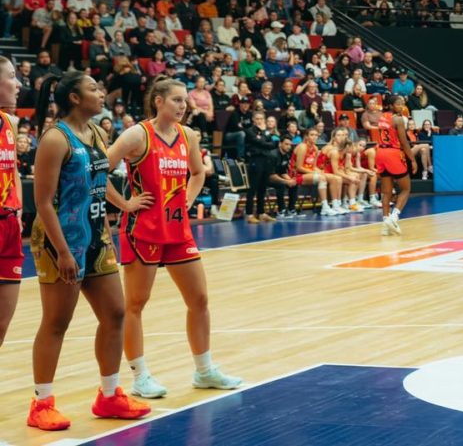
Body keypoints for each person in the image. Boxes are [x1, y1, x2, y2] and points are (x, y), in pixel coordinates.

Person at [28, 71, 152, 430]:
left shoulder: (96, 132)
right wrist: (64, 252)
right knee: (56, 322)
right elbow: (44, 203)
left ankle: (109, 395)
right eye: (93, 89)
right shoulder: (55, 139)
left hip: (96, 235)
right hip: (61, 241)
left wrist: (124, 204)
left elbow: (98, 181)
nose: (101, 94)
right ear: (74, 99)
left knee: (115, 314)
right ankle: (41, 403)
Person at [106, 76, 241, 399]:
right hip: (144, 229)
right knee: (136, 304)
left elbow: (198, 173)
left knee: (199, 300)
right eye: (177, 100)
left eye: (185, 100)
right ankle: (140, 375)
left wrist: (188, 199)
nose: (183, 106)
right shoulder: (137, 134)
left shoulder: (188, 135)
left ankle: (204, 370)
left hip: (178, 228)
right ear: (158, 101)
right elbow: (96, 170)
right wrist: (124, 203)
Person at [0, 57, 25, 367]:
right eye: (10, 76)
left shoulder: (10, 123)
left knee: (2, 324)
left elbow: (13, 169)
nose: (18, 84)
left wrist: (17, 209)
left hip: (8, 226)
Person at [370, 95, 416, 236]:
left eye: (402, 104)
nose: (401, 106)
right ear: (390, 105)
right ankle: (394, 217)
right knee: (406, 189)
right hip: (393, 153)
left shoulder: (381, 117)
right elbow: (404, 142)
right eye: (398, 104)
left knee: (387, 191)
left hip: (381, 152)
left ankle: (385, 223)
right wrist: (412, 159)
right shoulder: (397, 119)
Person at [243, 111, 278, 223]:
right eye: (257, 119)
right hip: (255, 160)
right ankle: (249, 214)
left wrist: (263, 141)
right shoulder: (249, 131)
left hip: (266, 161)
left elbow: (273, 144)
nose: (259, 121)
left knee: (263, 188)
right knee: (253, 188)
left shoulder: (266, 131)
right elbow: (262, 143)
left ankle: (261, 212)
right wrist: (264, 140)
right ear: (253, 119)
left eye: (261, 119)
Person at [291, 128, 335, 216]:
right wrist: (317, 174)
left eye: (316, 135)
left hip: (308, 174)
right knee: (322, 178)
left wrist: (321, 172)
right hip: (297, 175)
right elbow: (299, 168)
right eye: (312, 135)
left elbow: (314, 167)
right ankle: (325, 207)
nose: (314, 137)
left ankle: (336, 205)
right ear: (306, 136)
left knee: (333, 177)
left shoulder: (315, 148)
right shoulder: (302, 147)